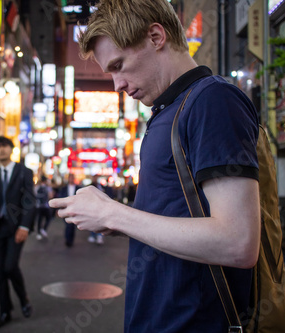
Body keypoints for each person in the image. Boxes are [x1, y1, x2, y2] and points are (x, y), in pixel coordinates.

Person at [49, 0, 261, 331]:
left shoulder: (212, 100)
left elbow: (237, 242)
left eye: (119, 65)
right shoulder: (167, 111)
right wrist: (117, 222)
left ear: (156, 36)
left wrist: (113, 213)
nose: (117, 85)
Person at [0, 136, 35, 328]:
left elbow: (29, 200)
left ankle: (23, 299)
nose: (1, 150)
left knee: (9, 266)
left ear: (11, 149)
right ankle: (4, 311)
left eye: (4, 146)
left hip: (16, 228)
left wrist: (24, 226)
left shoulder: (24, 171)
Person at [56, 173, 82, 247]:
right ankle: (68, 239)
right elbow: (60, 198)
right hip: (66, 209)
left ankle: (70, 240)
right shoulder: (64, 188)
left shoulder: (78, 188)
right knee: (68, 225)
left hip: (75, 210)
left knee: (72, 226)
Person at [34, 175, 53, 240]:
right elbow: (51, 196)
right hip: (46, 206)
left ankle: (39, 233)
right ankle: (44, 229)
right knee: (49, 218)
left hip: (38, 206)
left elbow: (34, 195)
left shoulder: (37, 187)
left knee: (39, 219)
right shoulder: (48, 187)